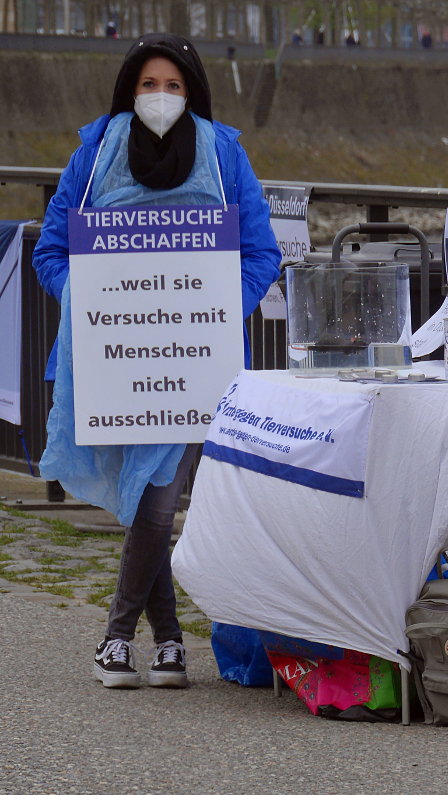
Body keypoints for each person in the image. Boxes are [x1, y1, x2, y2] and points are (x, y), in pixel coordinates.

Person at [32, 33, 282, 690]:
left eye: (173, 86)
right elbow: (49, 253)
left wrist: (216, 311)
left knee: (158, 498)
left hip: (193, 360)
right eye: (149, 85)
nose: (161, 98)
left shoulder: (224, 153)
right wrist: (95, 303)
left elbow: (261, 254)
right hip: (111, 358)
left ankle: (116, 638)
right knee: (150, 498)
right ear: (127, 90)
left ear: (193, 92)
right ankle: (169, 641)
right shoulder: (94, 154)